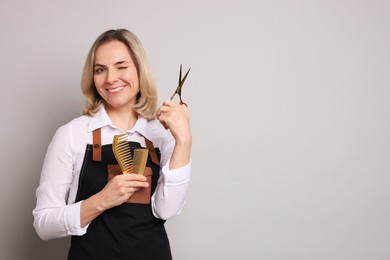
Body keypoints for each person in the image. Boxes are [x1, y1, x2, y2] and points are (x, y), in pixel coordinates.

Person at [32, 29, 192, 260]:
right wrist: (100, 201)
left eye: (121, 66)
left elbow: (167, 210)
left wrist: (184, 139)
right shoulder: (72, 134)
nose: (110, 79)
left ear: (139, 70)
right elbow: (43, 224)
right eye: (100, 70)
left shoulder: (162, 135)